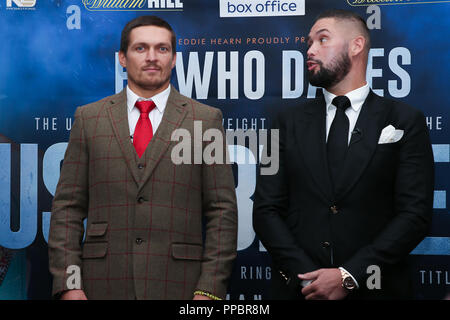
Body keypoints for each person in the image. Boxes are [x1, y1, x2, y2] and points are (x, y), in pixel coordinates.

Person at [48, 16, 238, 300]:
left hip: (180, 287)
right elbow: (68, 208)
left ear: (173, 59)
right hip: (103, 284)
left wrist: (208, 292)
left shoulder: (205, 120)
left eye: (162, 49)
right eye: (141, 48)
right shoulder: (89, 119)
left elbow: (222, 212)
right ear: (122, 58)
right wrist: (70, 285)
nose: (152, 57)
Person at [253, 9, 434, 300]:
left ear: (357, 45)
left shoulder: (404, 120)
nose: (310, 50)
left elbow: (414, 215)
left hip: (377, 290)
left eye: (322, 40)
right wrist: (307, 279)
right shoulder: (285, 122)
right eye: (309, 43)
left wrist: (349, 276)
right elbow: (266, 209)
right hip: (299, 290)